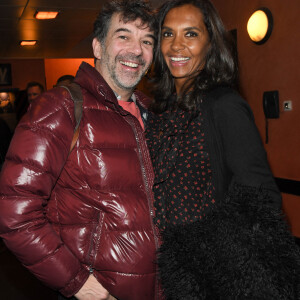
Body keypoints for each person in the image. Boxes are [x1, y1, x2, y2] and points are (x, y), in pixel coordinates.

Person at [0, 1, 161, 300]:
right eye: (123, 36)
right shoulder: (60, 106)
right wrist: (80, 285)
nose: (137, 50)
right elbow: (14, 213)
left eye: (147, 41)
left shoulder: (155, 114)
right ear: (98, 47)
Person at [146, 0, 300, 299]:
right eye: (167, 34)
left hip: (215, 277)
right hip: (169, 274)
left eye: (190, 34)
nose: (176, 46)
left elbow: (261, 198)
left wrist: (209, 256)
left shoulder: (223, 106)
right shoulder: (160, 112)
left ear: (210, 43)